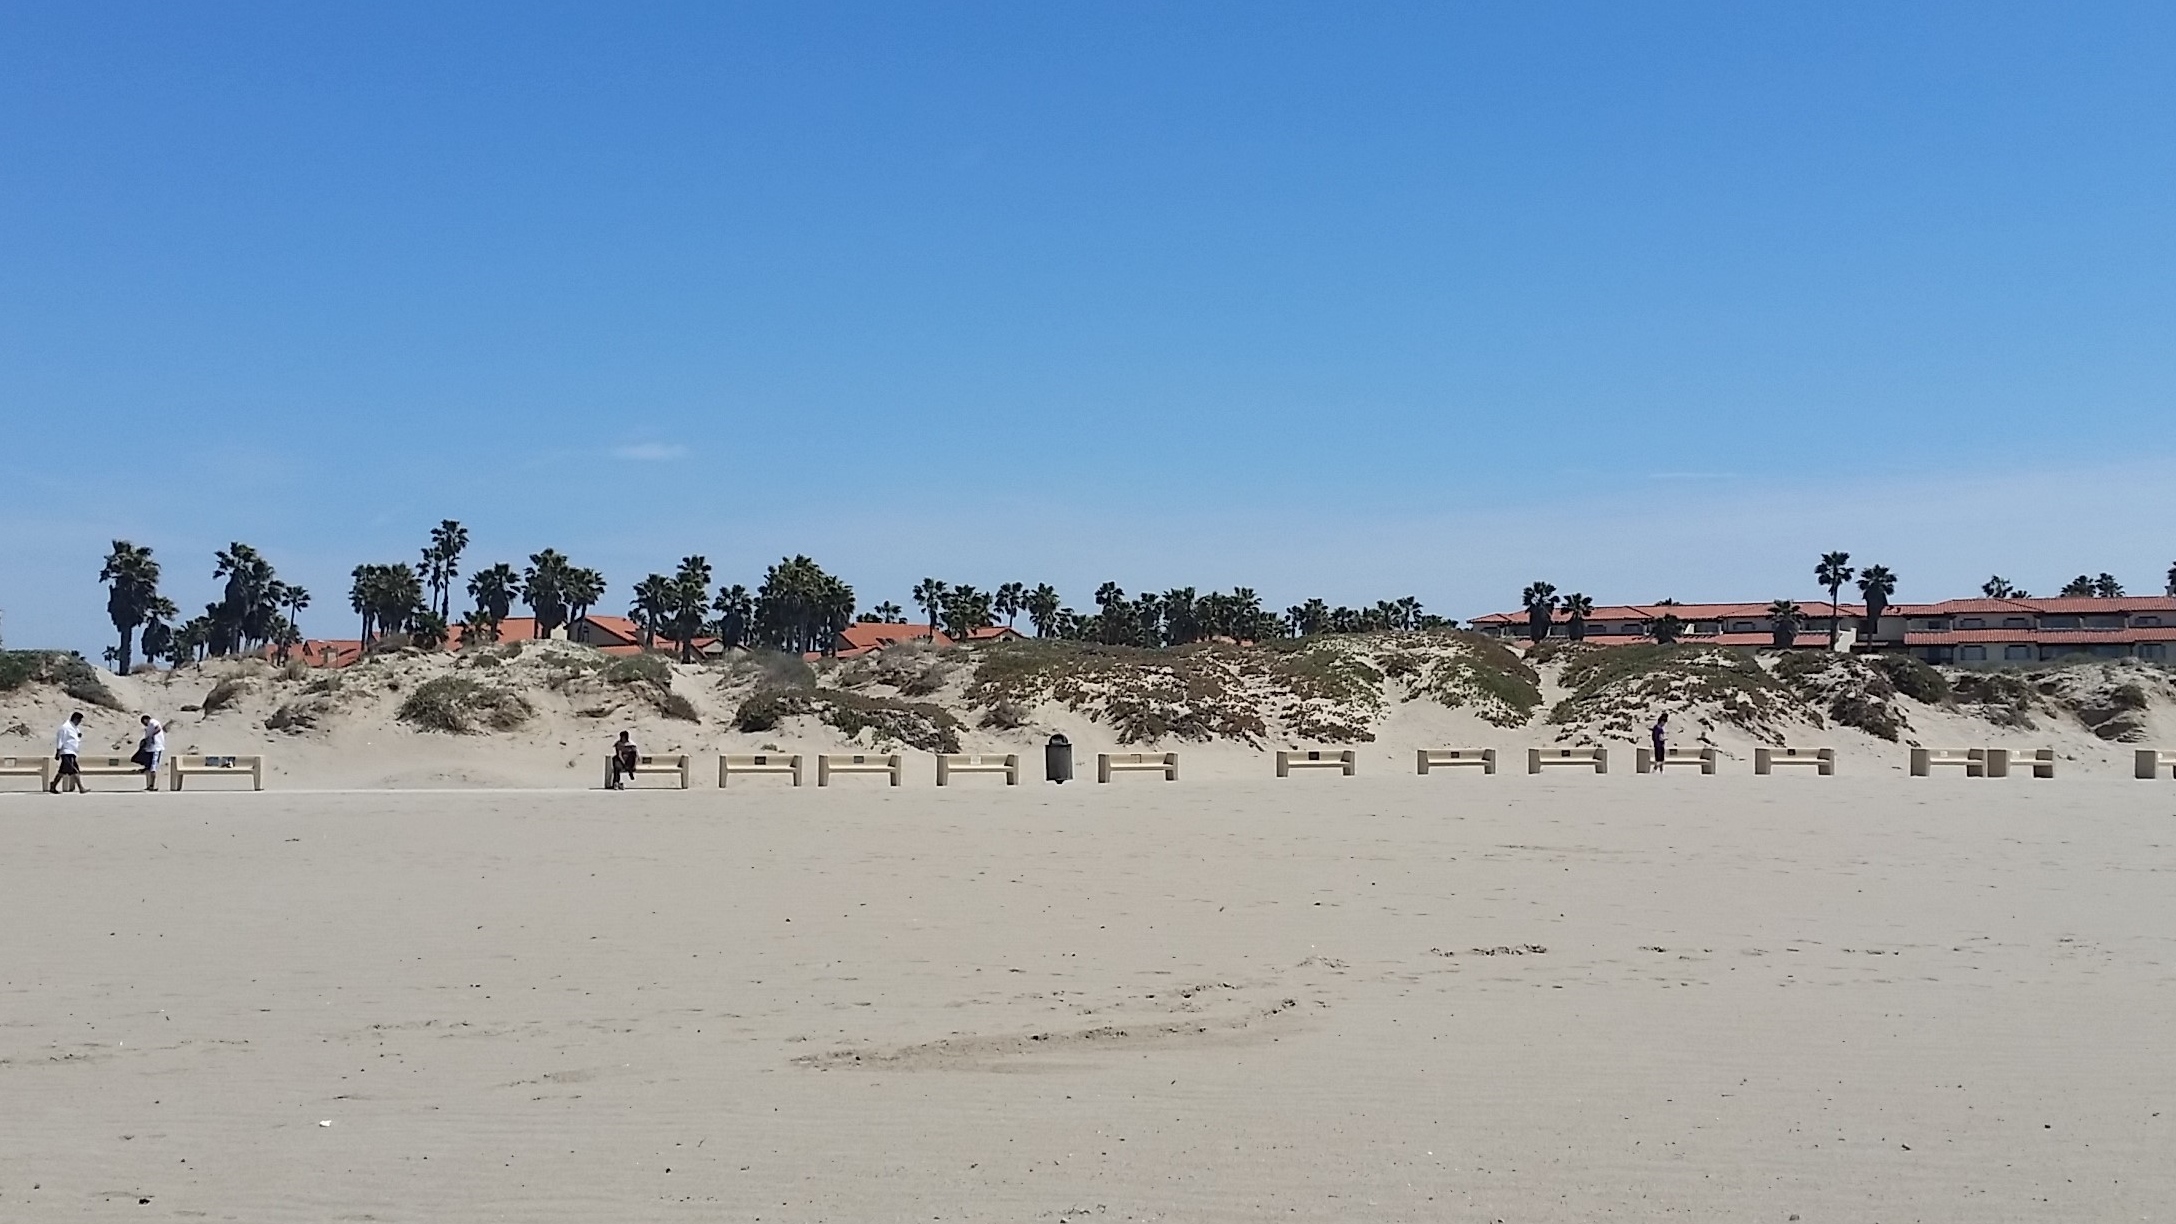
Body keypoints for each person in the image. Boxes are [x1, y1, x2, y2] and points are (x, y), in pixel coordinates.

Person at [50, 712, 86, 794]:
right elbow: (60, 740)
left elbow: (76, 734)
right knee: (74, 770)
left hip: (72, 752)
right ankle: (81, 788)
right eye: (79, 720)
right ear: (75, 719)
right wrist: (58, 752)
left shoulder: (74, 727)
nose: (79, 722)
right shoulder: (65, 728)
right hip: (67, 752)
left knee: (62, 771)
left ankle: (53, 785)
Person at [136, 714, 166, 791]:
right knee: (149, 766)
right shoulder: (148, 727)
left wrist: (152, 736)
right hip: (151, 748)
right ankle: (150, 785)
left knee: (153, 767)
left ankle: (153, 785)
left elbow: (158, 728)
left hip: (156, 747)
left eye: (143, 722)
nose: (143, 724)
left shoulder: (153, 722)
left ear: (146, 719)